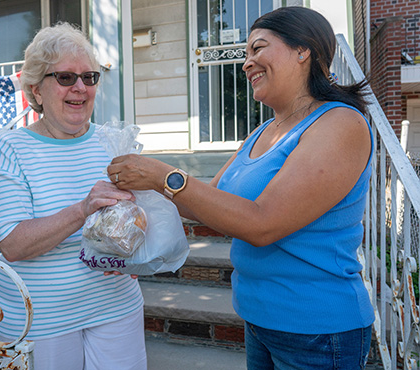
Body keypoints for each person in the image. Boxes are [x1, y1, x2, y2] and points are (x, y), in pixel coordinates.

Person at [108, 6, 374, 370]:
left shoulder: (339, 123)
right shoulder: (262, 133)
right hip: (257, 319)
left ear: (303, 51)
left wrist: (163, 176)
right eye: (246, 53)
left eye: (258, 48)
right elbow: (206, 201)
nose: (247, 62)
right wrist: (136, 187)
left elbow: (262, 224)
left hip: (315, 331)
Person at [0, 22, 146, 370]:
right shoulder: (10, 149)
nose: (80, 88)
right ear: (36, 90)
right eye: (66, 78)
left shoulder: (113, 143)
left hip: (116, 305)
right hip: (40, 320)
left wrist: (136, 252)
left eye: (90, 77)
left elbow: (141, 219)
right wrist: (83, 209)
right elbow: (12, 244)